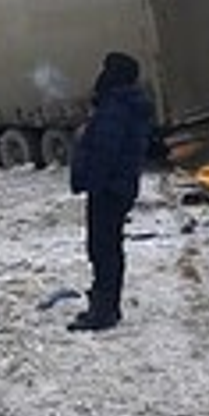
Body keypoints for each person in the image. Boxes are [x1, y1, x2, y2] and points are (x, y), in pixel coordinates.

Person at [68, 51, 153, 331]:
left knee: (103, 249)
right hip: (120, 186)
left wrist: (89, 178)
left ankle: (103, 311)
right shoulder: (128, 104)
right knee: (109, 247)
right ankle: (106, 304)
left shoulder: (115, 107)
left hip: (108, 189)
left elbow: (106, 152)